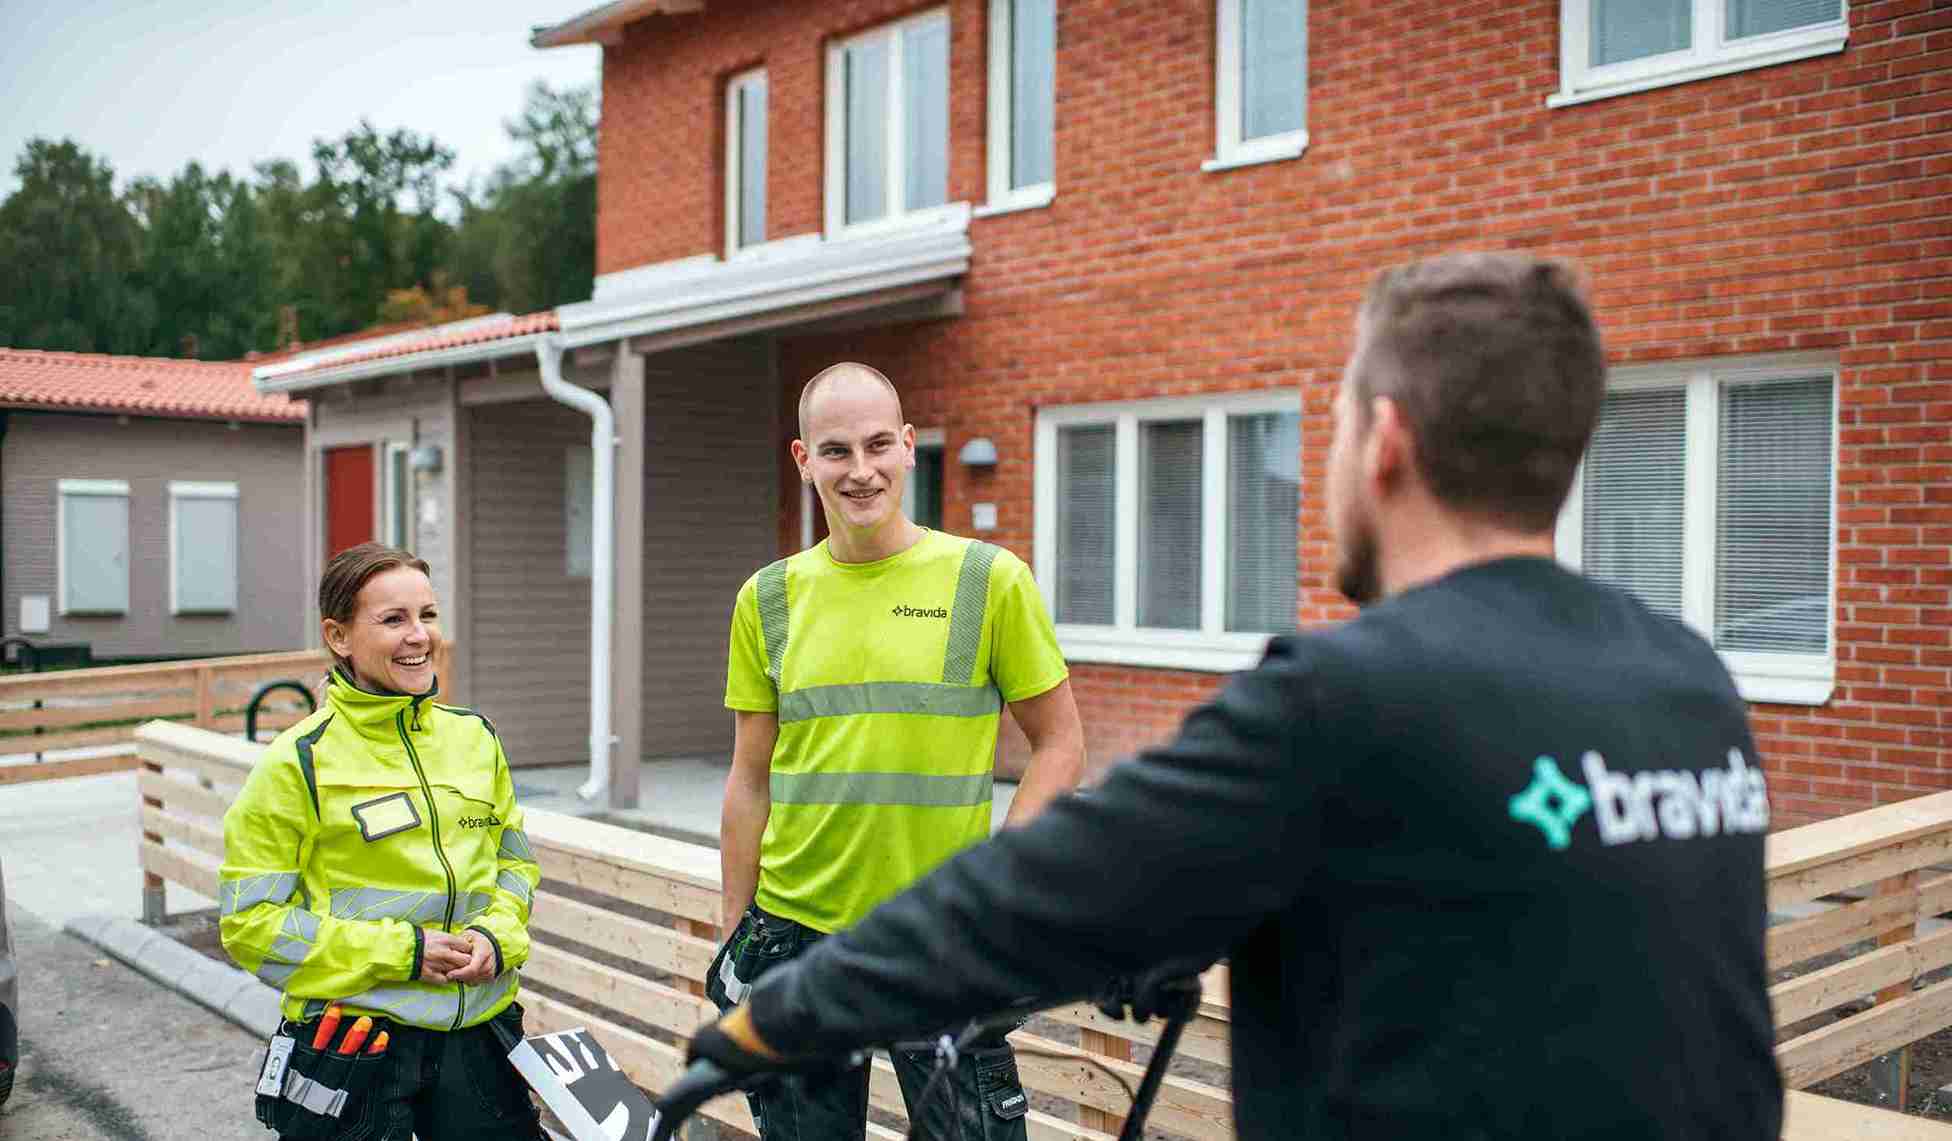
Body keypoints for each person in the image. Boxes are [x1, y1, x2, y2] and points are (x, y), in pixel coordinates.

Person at [687, 255, 1786, 1140]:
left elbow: (1054, 889)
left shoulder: (1340, 701)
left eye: (1332, 421)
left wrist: (768, 1018)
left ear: (1385, 441)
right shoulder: (1689, 683)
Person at [711, 362, 1086, 1141]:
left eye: (878, 444)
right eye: (836, 450)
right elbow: (750, 780)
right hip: (792, 938)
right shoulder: (767, 598)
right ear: (803, 459)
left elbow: (1060, 743)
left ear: (910, 445)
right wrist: (734, 934)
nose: (861, 469)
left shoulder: (989, 581)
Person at [220, 542, 545, 1140]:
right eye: (393, 619)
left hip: (480, 1037)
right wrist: (405, 952)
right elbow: (251, 926)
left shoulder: (476, 738)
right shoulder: (298, 762)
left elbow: (515, 866)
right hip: (354, 1044)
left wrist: (497, 938)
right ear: (338, 636)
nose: (419, 635)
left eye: (427, 614)